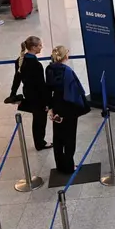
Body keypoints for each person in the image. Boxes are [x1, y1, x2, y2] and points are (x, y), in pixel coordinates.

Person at [44, 46, 88, 174]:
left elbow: (48, 89)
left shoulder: (49, 69)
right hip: (68, 108)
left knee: (58, 138)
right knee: (69, 138)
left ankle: (60, 164)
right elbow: (73, 92)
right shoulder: (67, 71)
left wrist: (50, 107)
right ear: (65, 56)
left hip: (56, 105)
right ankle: (69, 165)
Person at [16, 36, 50, 150]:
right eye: (39, 45)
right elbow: (41, 85)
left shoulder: (20, 60)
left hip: (29, 93)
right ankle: (40, 142)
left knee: (37, 118)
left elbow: (17, 78)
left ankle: (39, 141)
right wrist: (46, 102)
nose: (41, 47)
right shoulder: (36, 65)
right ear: (33, 47)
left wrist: (13, 92)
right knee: (40, 120)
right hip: (37, 97)